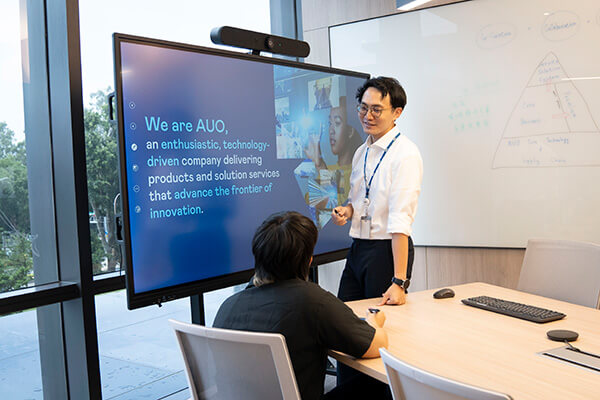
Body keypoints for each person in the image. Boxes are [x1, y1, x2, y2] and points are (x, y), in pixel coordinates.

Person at [213, 211, 390, 400]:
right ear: (308, 260)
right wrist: (373, 321)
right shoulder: (312, 301)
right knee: (380, 383)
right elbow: (375, 345)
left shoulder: (228, 307)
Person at [332, 77, 423, 307]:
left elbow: (400, 220)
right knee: (345, 313)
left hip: (386, 250)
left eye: (376, 110)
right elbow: (359, 201)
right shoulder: (361, 152)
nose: (367, 115)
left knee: (384, 320)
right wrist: (347, 211)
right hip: (358, 247)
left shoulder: (405, 154)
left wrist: (399, 281)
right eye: (363, 108)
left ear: (397, 112)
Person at [305, 96, 363, 206]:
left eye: (337, 123)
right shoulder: (329, 170)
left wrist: (321, 167)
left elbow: (337, 206)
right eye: (330, 123)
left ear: (350, 131)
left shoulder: (358, 172)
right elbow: (310, 199)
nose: (331, 131)